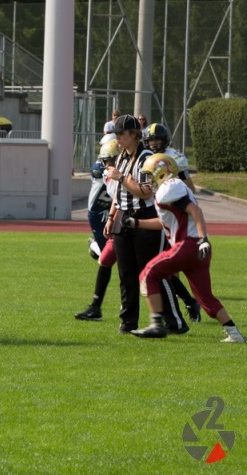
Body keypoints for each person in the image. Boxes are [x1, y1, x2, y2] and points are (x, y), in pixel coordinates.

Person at [128, 154, 244, 342]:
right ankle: (234, 334)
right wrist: (137, 223)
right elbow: (165, 222)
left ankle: (156, 324)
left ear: (161, 173)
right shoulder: (171, 190)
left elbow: (195, 210)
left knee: (148, 274)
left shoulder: (169, 187)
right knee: (205, 297)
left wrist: (203, 238)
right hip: (197, 249)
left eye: (150, 175)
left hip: (188, 244)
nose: (148, 180)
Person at [104, 114, 188, 335]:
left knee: (152, 272)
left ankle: (175, 321)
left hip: (145, 217)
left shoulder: (147, 157)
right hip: (123, 217)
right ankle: (128, 322)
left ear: (134, 134)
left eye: (121, 134)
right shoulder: (122, 157)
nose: (117, 138)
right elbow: (118, 193)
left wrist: (121, 177)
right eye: (116, 134)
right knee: (126, 274)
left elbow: (145, 192)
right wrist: (111, 217)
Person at [75, 140, 120, 321]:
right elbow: (116, 194)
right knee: (107, 260)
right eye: (106, 161)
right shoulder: (102, 169)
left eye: (112, 160)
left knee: (148, 269)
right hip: (109, 216)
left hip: (129, 219)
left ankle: (180, 308)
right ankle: (96, 307)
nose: (108, 164)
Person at [143, 123, 196, 193]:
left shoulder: (174, 156)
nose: (154, 143)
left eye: (157, 139)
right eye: (151, 140)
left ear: (164, 140)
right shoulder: (145, 156)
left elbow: (190, 188)